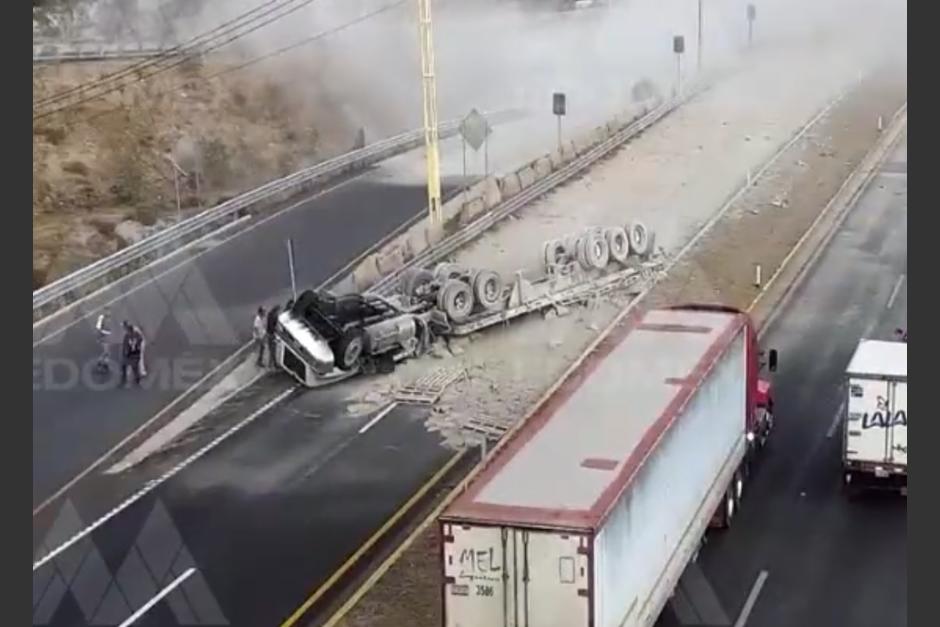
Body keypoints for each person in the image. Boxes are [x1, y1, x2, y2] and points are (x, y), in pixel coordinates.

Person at [120, 321, 144, 387]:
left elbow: (125, 346)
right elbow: (141, 339)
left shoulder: (127, 336)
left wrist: (124, 354)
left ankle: (124, 380)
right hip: (136, 353)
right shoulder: (137, 334)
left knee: (124, 366)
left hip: (130, 354)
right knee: (134, 368)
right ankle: (137, 380)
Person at [94, 307, 113, 373]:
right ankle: (101, 364)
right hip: (103, 338)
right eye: (108, 311)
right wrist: (99, 337)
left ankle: (104, 365)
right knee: (106, 352)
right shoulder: (101, 318)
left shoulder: (108, 318)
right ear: (105, 312)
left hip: (107, 337)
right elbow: (98, 329)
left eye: (109, 312)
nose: (109, 313)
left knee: (107, 352)